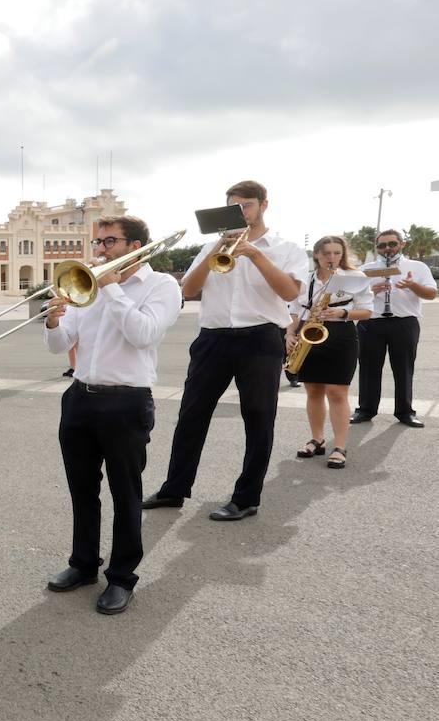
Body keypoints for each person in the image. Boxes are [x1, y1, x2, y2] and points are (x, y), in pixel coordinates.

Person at [143, 180, 308, 522]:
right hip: (213, 337)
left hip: (261, 337)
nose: (241, 212)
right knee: (191, 415)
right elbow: (188, 289)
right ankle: (174, 489)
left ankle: (246, 497)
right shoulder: (210, 247)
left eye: (246, 205)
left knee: (258, 419)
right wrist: (217, 248)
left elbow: (290, 290)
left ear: (264, 204)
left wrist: (256, 255)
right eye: (233, 206)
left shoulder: (285, 248)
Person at [42, 216, 181, 614]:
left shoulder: (161, 286)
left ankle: (122, 577)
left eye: (109, 241)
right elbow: (61, 344)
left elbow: (143, 334)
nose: (99, 249)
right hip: (80, 397)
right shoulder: (90, 286)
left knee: (126, 494)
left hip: (127, 401)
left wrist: (113, 289)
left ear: (135, 245)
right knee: (82, 491)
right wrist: (54, 318)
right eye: (98, 242)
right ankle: (83, 564)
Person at [287, 237, 373, 469]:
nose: (331, 258)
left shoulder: (356, 278)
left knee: (337, 393)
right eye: (326, 253)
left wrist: (342, 313)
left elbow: (367, 311)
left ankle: (340, 446)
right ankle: (318, 439)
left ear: (342, 254)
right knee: (313, 390)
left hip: (341, 334)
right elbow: (294, 310)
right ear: (316, 255)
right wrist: (289, 334)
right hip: (309, 332)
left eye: (336, 253)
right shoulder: (306, 281)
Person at [353, 229, 437, 427]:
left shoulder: (417, 266)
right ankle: (365, 410)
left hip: (404, 322)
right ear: (377, 248)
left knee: (404, 368)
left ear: (402, 244)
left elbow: (431, 294)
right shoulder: (366, 269)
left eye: (392, 244)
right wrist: (371, 291)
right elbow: (353, 301)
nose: (387, 249)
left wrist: (412, 285)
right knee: (368, 368)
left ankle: (405, 412)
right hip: (370, 322)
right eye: (382, 245)